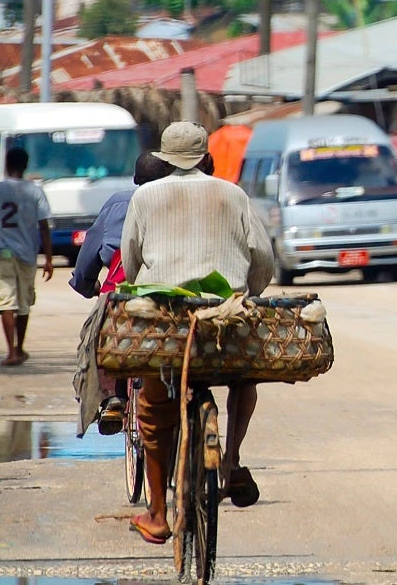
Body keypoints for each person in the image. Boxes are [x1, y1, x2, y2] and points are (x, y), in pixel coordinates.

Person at [122, 122, 274, 545]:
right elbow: (262, 259)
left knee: (153, 412)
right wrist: (249, 293)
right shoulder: (235, 194)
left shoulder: (145, 195)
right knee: (245, 379)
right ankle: (232, 460)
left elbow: (131, 264)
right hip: (226, 320)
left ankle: (156, 513)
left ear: (166, 159)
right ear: (208, 158)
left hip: (167, 323)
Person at [69, 153, 175, 436]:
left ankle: (112, 397)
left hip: (120, 293)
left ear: (136, 180)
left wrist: (84, 283)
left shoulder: (119, 203)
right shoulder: (176, 201)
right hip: (170, 289)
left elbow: (91, 250)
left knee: (100, 338)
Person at [0, 148, 54, 367]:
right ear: (26, 166)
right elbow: (44, 225)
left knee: (6, 299)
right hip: (27, 254)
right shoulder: (36, 191)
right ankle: (19, 348)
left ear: (6, 164)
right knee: (25, 302)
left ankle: (11, 352)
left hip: (3, 253)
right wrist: (48, 258)